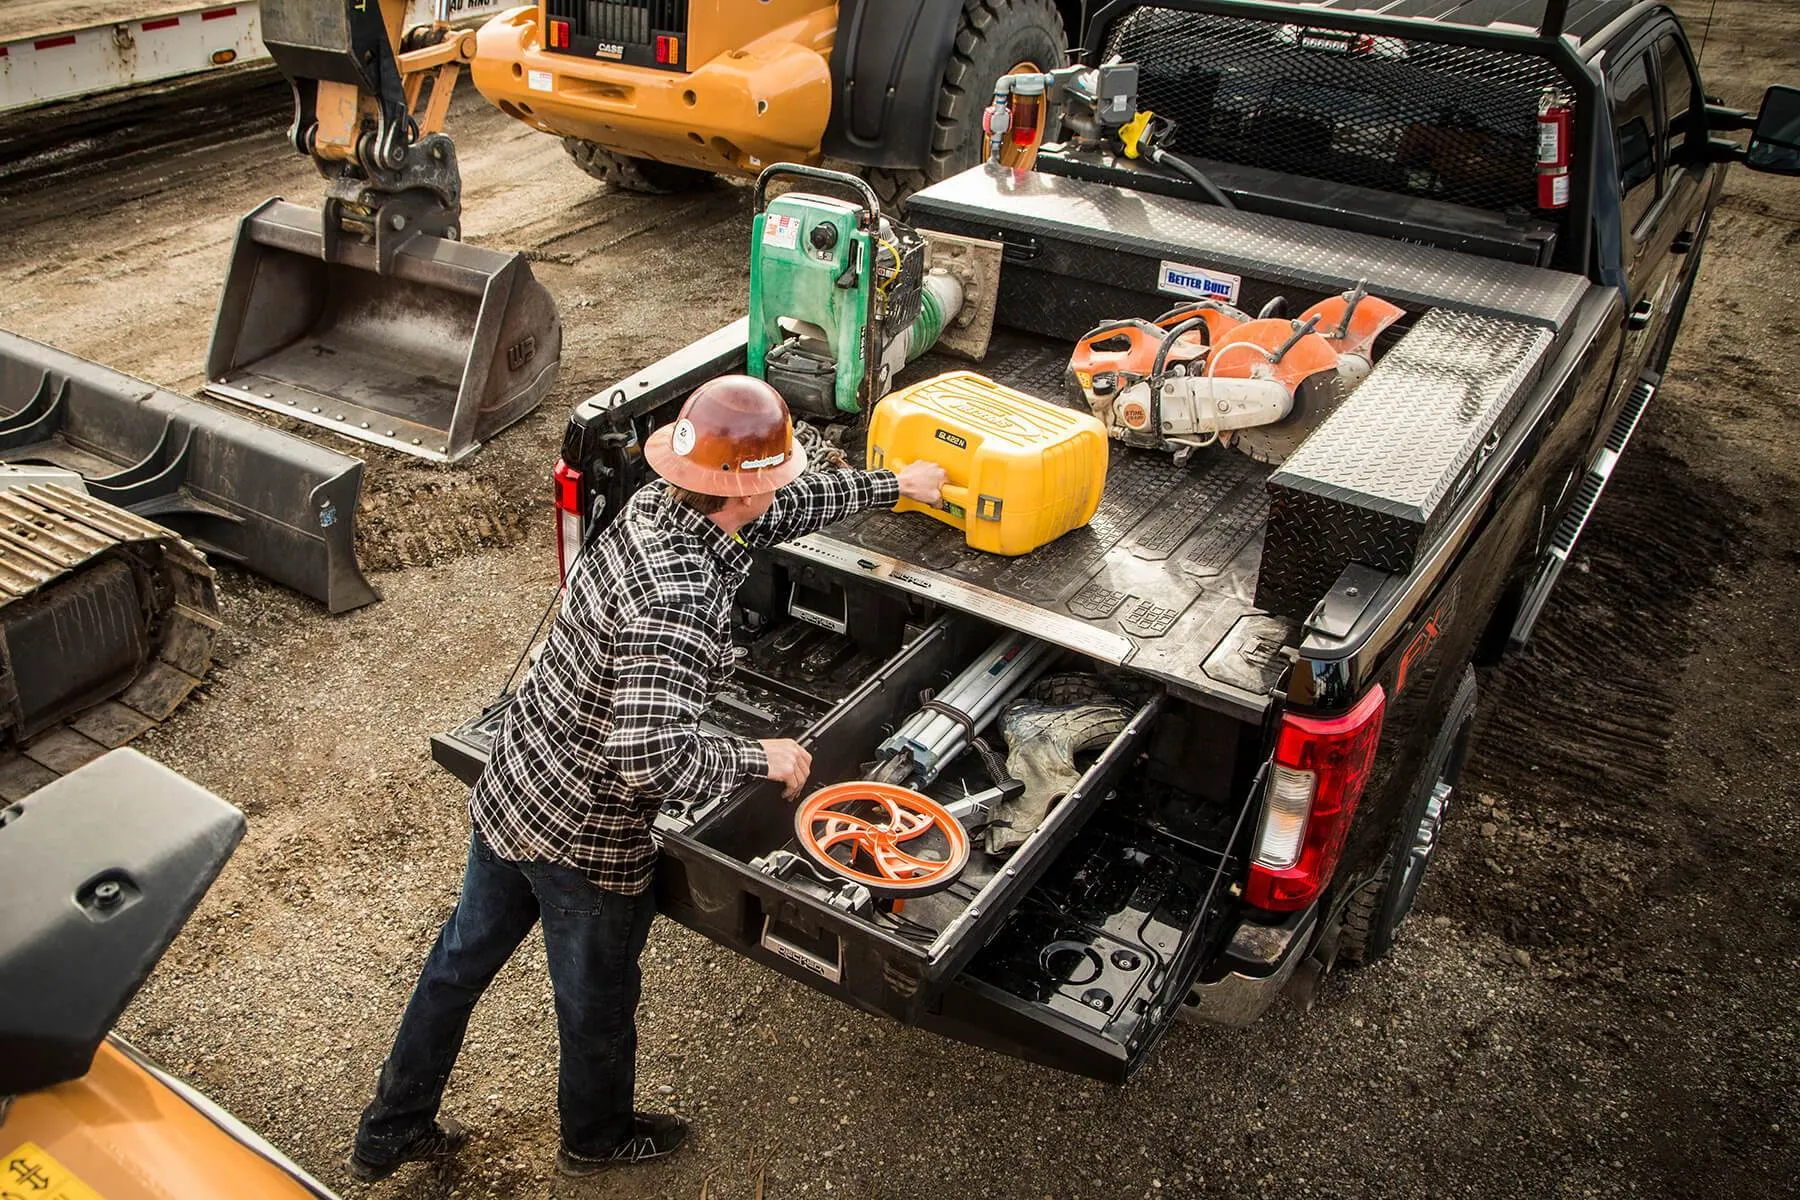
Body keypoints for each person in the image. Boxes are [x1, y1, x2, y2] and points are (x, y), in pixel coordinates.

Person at [347, 375, 947, 1181]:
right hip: (586, 832)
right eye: (769, 480)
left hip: (518, 779)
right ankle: (595, 1138)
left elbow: (776, 504)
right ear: (742, 492)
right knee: (595, 1005)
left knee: (457, 964)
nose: (774, 494)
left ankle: (390, 1128)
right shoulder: (677, 595)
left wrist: (895, 487)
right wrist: (758, 756)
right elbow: (649, 760)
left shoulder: (660, 504)